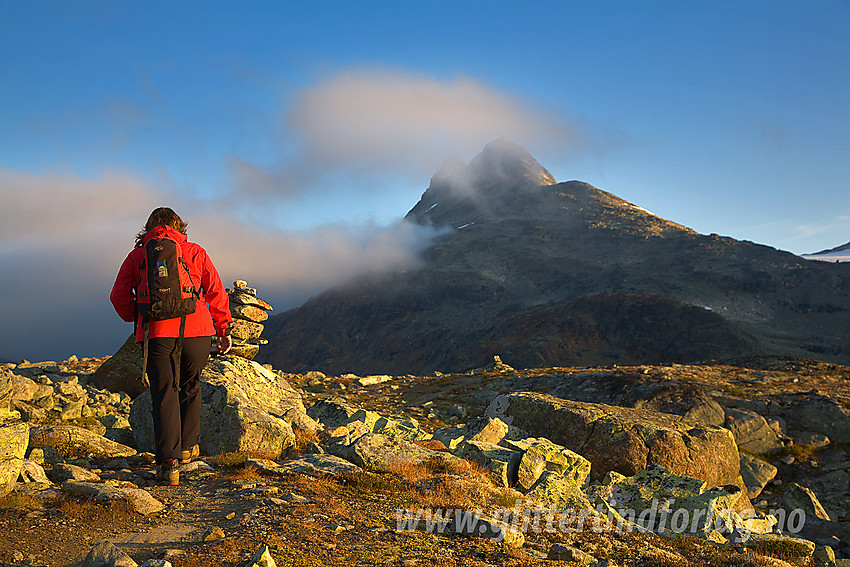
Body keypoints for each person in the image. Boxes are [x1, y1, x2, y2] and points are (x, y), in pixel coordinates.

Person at [110, 207, 232, 486]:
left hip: (157, 333)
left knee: (164, 392)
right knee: (191, 385)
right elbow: (216, 291)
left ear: (148, 228)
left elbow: (117, 296)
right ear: (180, 227)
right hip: (198, 332)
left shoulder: (137, 256)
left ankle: (169, 464)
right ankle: (189, 448)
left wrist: (138, 317)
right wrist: (223, 328)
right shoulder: (195, 251)